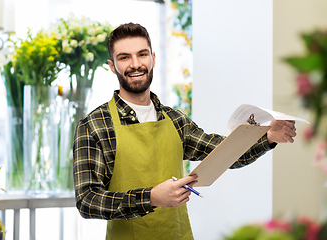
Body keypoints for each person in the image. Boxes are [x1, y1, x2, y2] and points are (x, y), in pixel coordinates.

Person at [73, 22, 297, 240]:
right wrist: (151, 198)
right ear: (112, 66)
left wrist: (268, 137)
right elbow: (87, 200)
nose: (135, 64)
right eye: (124, 57)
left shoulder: (175, 120)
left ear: (153, 58)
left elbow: (223, 153)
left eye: (142, 54)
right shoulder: (94, 125)